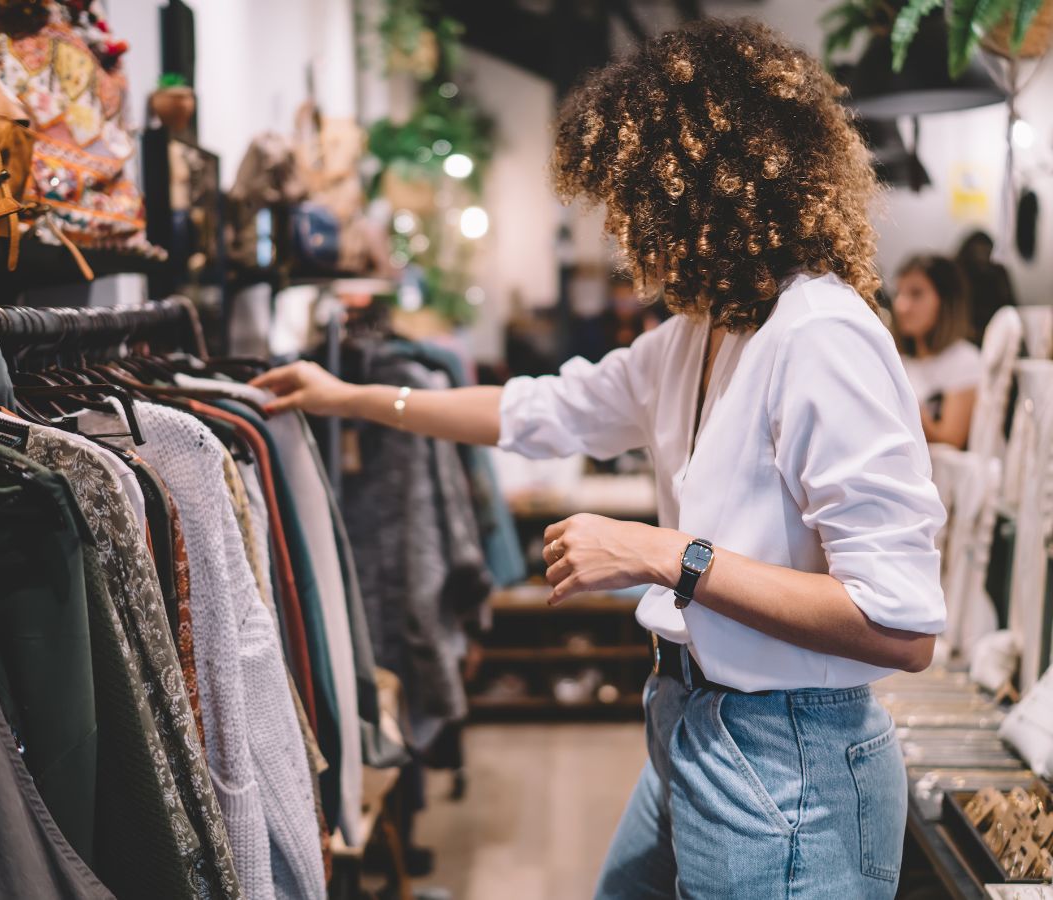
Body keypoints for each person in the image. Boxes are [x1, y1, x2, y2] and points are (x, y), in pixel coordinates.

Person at [254, 19, 944, 900]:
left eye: (631, 201)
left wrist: (664, 555)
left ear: (700, 192)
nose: (622, 233)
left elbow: (900, 624)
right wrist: (347, 397)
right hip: (692, 721)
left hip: (788, 761)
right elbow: (539, 409)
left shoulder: (823, 338)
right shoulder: (699, 335)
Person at [892, 254, 982, 449]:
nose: (901, 306)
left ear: (946, 300)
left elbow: (952, 440)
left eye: (916, 294)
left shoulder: (964, 359)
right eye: (899, 293)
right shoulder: (899, 360)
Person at [956, 230, 1015, 344]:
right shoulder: (958, 272)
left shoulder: (998, 273)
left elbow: (1011, 305)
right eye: (979, 251)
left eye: (986, 251)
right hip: (967, 330)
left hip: (997, 327)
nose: (983, 255)